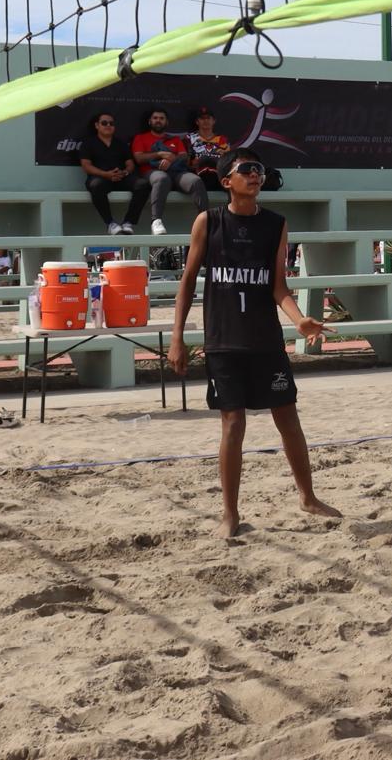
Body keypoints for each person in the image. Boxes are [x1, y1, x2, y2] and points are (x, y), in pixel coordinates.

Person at [168, 148, 342, 538]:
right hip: (223, 339)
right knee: (233, 424)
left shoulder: (276, 224)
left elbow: (279, 286)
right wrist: (177, 337)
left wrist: (300, 320)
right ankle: (229, 513)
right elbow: (187, 284)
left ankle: (308, 497)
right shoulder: (208, 222)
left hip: (264, 339)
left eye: (259, 170)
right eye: (246, 170)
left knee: (288, 419)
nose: (255, 175)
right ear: (226, 180)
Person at [131, 108, 209, 236]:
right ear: (150, 121)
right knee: (162, 178)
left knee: (196, 181)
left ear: (166, 122)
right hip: (151, 172)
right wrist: (159, 154)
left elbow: (183, 156)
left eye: (162, 118)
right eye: (155, 118)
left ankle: (205, 221)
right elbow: (139, 158)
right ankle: (156, 221)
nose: (158, 121)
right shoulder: (140, 138)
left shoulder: (175, 140)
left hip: (177, 173)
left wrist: (171, 160)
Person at [78, 111, 151, 234]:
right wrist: (105, 174)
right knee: (96, 185)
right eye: (104, 123)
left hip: (120, 177)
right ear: (97, 125)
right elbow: (86, 165)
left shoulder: (120, 144)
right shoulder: (88, 143)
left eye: (111, 123)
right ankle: (110, 223)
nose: (108, 125)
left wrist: (125, 173)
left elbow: (130, 164)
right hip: (101, 178)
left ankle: (128, 222)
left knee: (143, 184)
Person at [186, 106, 231, 192]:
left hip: (218, 177)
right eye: (202, 118)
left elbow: (228, 162)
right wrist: (192, 163)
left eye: (208, 118)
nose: (206, 121)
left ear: (214, 121)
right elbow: (185, 162)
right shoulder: (189, 138)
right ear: (197, 121)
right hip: (197, 175)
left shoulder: (222, 139)